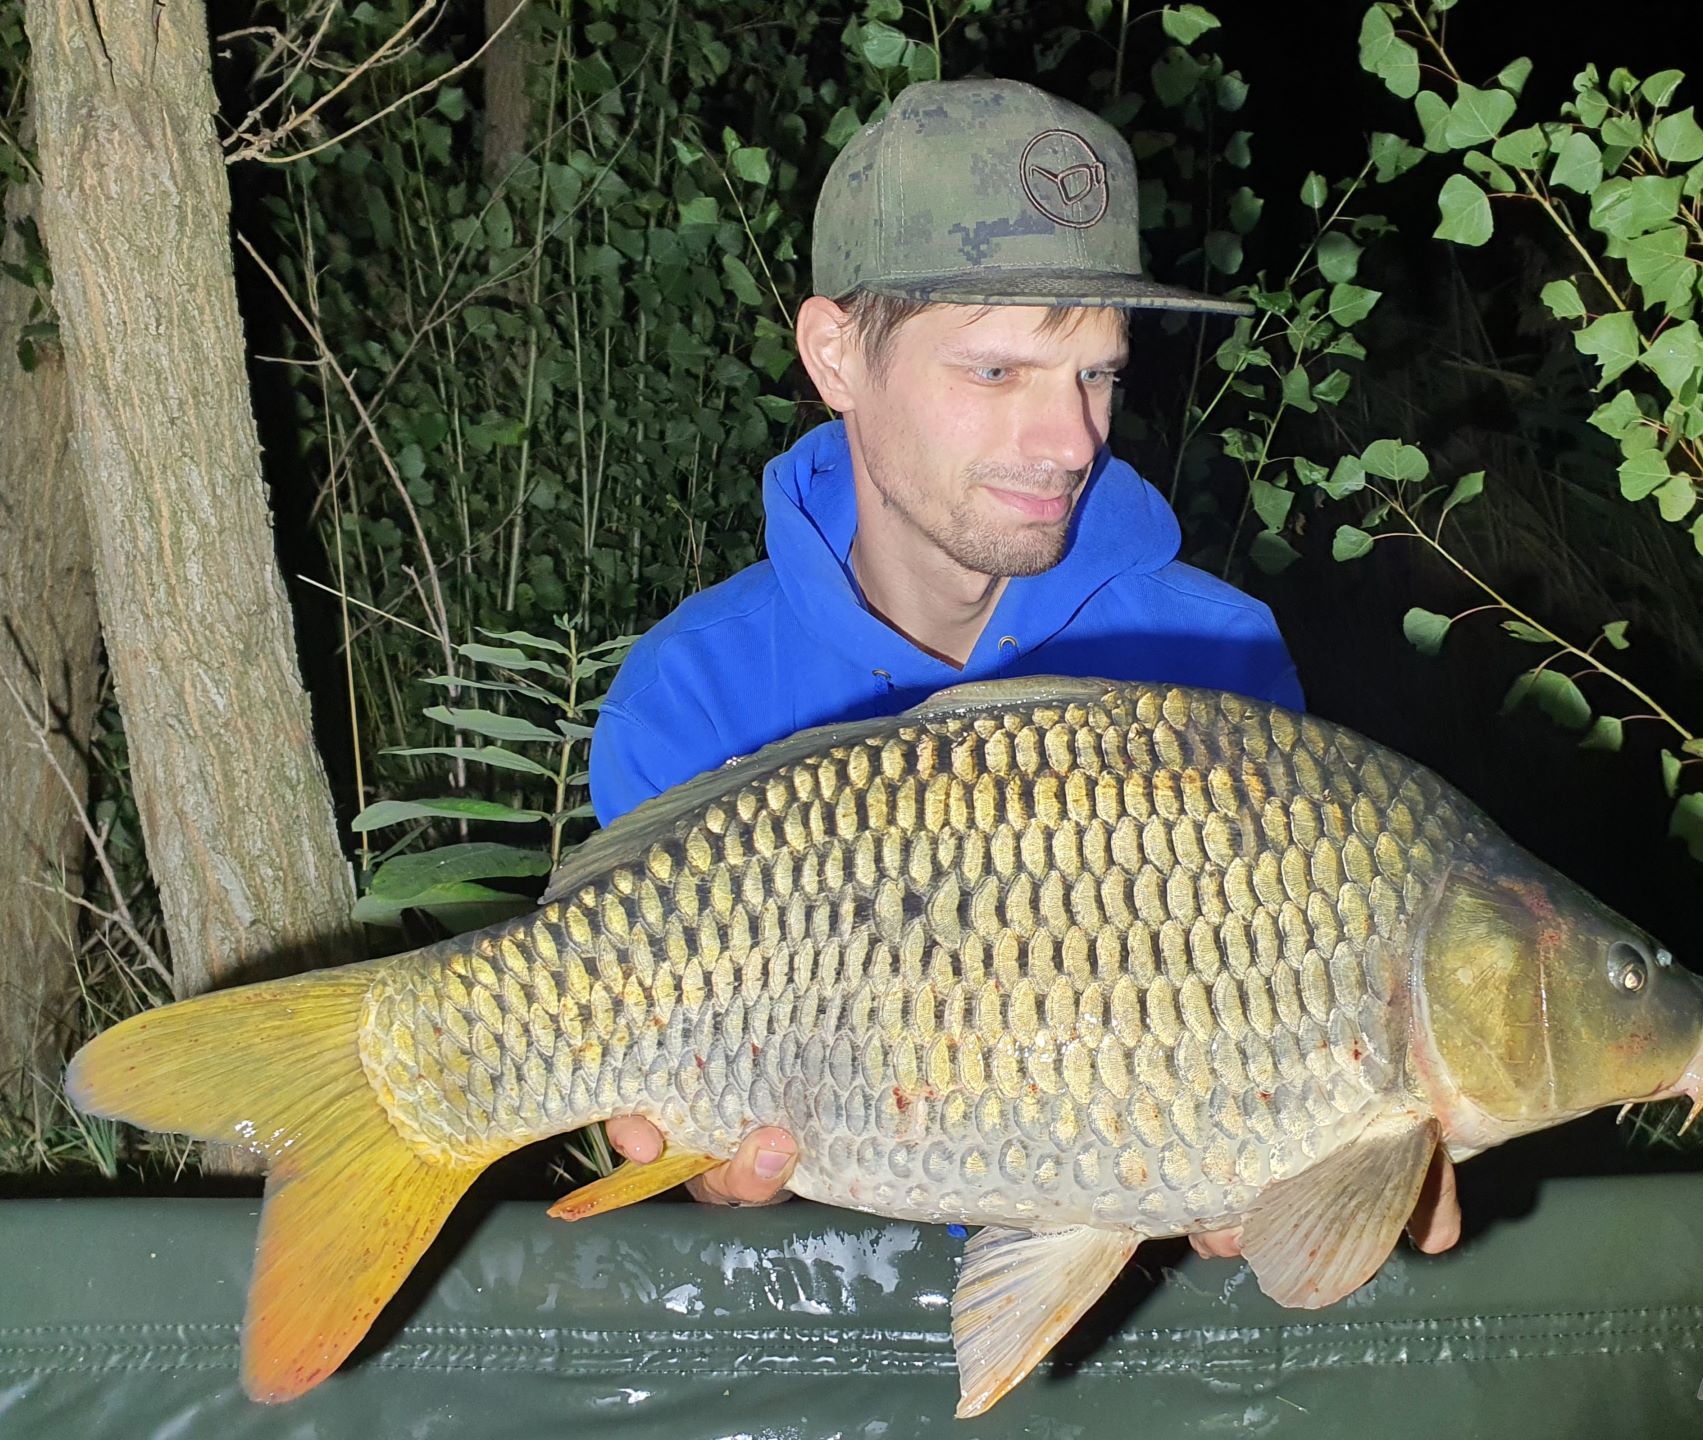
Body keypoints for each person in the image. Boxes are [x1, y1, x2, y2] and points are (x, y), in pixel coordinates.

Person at [586, 79, 1460, 1259]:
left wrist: (1305, 1190)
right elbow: (647, 1120)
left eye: (1097, 374)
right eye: (997, 373)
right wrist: (700, 1171)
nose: (1071, 444)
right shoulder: (688, 699)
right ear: (837, 356)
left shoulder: (1215, 658)